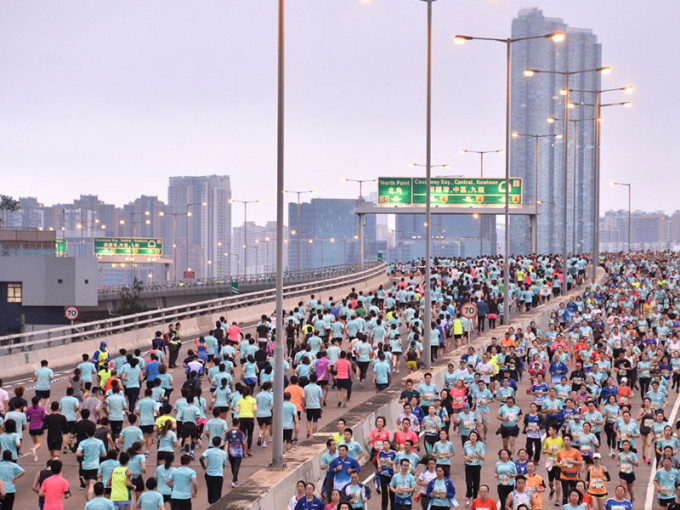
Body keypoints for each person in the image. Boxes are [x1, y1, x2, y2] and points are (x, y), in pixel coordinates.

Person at [77, 426, 107, 500]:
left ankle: (87, 501)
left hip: (85, 466)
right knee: (92, 485)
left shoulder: (83, 443)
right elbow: (104, 454)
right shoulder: (99, 442)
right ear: (95, 433)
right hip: (95, 466)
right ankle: (89, 501)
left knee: (87, 486)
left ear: (86, 433)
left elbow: (78, 453)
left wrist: (82, 454)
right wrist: (98, 454)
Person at [200, 436, 227, 504]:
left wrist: (204, 466)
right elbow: (223, 465)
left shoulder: (208, 451)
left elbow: (201, 458)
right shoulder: (223, 453)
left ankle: (211, 503)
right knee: (217, 494)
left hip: (209, 474)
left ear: (212, 443)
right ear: (220, 443)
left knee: (210, 492)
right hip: (218, 475)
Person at [225, 418, 247, 488]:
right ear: (239, 424)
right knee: (236, 466)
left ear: (232, 424)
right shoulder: (241, 433)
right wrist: (244, 450)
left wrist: (226, 452)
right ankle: (234, 480)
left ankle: (235, 479)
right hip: (238, 452)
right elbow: (244, 443)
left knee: (233, 466)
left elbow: (226, 443)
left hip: (230, 452)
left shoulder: (228, 433)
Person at [26, 395, 46, 461]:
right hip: (39, 427)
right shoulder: (42, 409)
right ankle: (34, 450)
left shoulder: (29, 409)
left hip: (31, 428)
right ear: (38, 402)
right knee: (39, 443)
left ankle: (35, 456)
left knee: (35, 443)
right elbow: (44, 418)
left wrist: (30, 419)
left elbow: (25, 417)